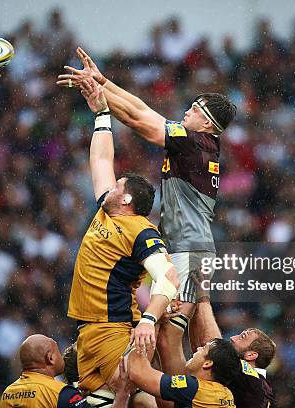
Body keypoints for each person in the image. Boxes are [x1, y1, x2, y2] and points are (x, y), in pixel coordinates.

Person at [57, 47, 237, 377]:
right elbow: (141, 109)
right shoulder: (198, 144)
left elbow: (140, 119)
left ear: (208, 122)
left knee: (169, 335)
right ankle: (223, 386)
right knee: (198, 321)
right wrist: (102, 82)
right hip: (192, 245)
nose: (186, 111)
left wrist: (102, 95)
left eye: (194, 109)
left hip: (186, 249)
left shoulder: (193, 141)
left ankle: (190, 396)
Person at [67, 79, 180, 404]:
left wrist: (148, 319)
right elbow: (101, 160)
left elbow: (168, 277)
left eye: (117, 185)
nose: (109, 186)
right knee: (118, 398)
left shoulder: (141, 230)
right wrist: (102, 113)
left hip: (113, 328)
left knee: (138, 394)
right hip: (90, 330)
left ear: (126, 198)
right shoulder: (107, 210)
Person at [191, 297, 276, 408]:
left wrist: (203, 299)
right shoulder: (256, 384)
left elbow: (212, 343)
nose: (232, 338)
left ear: (251, 355)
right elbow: (201, 347)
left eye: (242, 337)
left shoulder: (250, 377)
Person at [0, 334, 129, 408]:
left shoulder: (8, 393)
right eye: (57, 350)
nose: (61, 354)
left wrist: (77, 400)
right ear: (50, 358)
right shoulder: (60, 393)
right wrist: (122, 393)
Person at [126, 338, 238, 408]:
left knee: (140, 398)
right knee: (143, 401)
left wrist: (140, 337)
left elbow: (137, 373)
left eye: (204, 348)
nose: (198, 348)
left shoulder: (194, 388)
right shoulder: (227, 394)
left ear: (207, 363)